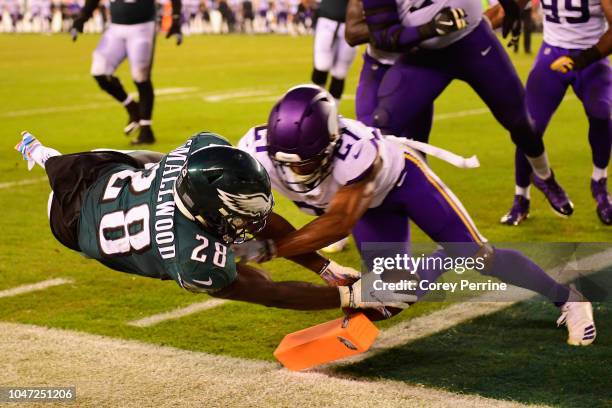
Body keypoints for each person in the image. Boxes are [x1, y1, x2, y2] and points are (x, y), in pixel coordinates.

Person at [235, 85, 597, 346]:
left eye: (307, 163)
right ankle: (444, 257)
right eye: (287, 164)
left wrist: (270, 250)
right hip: (371, 208)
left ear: (331, 144)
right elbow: (263, 219)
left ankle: (568, 297)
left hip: (404, 182)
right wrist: (321, 267)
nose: (295, 173)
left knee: (479, 255)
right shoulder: (254, 153)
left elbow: (338, 223)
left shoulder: (358, 151)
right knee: (388, 298)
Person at [14, 130, 412, 315]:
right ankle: (42, 154)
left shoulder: (203, 148)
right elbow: (271, 293)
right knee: (140, 168)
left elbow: (260, 220)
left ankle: (43, 154)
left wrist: (324, 267)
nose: (252, 219)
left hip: (97, 169)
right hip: (72, 223)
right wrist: (349, 297)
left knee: (147, 161)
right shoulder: (192, 258)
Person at [352, 0, 574, 219]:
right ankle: (376, 211)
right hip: (424, 56)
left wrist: (510, 8)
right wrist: (430, 29)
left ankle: (545, 176)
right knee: (382, 127)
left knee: (520, 123)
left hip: (473, 42)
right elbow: (383, 35)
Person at [501, 0, 612, 226]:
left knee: (601, 112)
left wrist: (580, 60)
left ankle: (599, 182)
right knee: (528, 127)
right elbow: (508, 7)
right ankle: (521, 196)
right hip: (552, 52)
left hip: (591, 55)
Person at [70, 0, 183, 145]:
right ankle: (132, 108)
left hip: (142, 27)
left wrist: (176, 19)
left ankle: (146, 130)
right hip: (115, 28)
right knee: (99, 70)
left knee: (140, 76)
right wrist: (82, 17)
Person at [310, 0, 356, 106]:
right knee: (322, 65)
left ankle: (332, 111)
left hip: (350, 23)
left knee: (340, 72)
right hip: (327, 19)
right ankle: (313, 108)